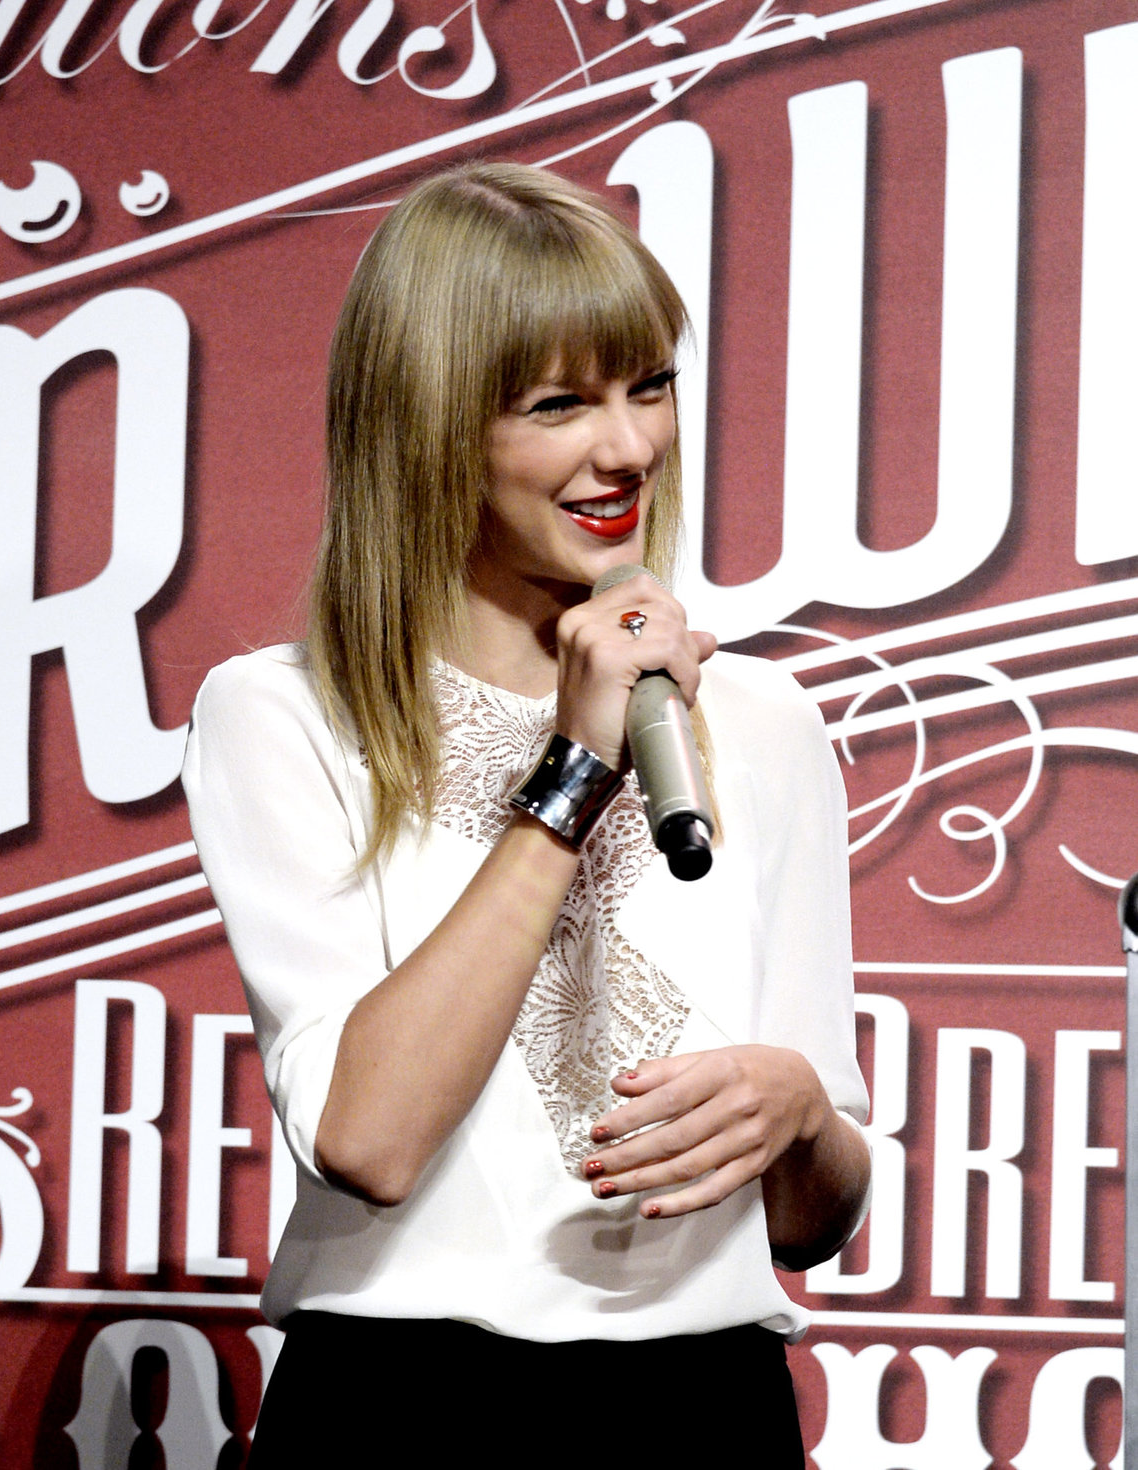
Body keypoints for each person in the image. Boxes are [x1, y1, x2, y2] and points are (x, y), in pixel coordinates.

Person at [182, 162, 870, 1465]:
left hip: (703, 1407)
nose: (627, 449)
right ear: (430, 423)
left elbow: (811, 1219)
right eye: (560, 403)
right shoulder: (286, 714)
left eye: (648, 385)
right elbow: (368, 1138)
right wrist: (570, 769)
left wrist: (799, 1110)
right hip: (407, 1404)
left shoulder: (762, 721)